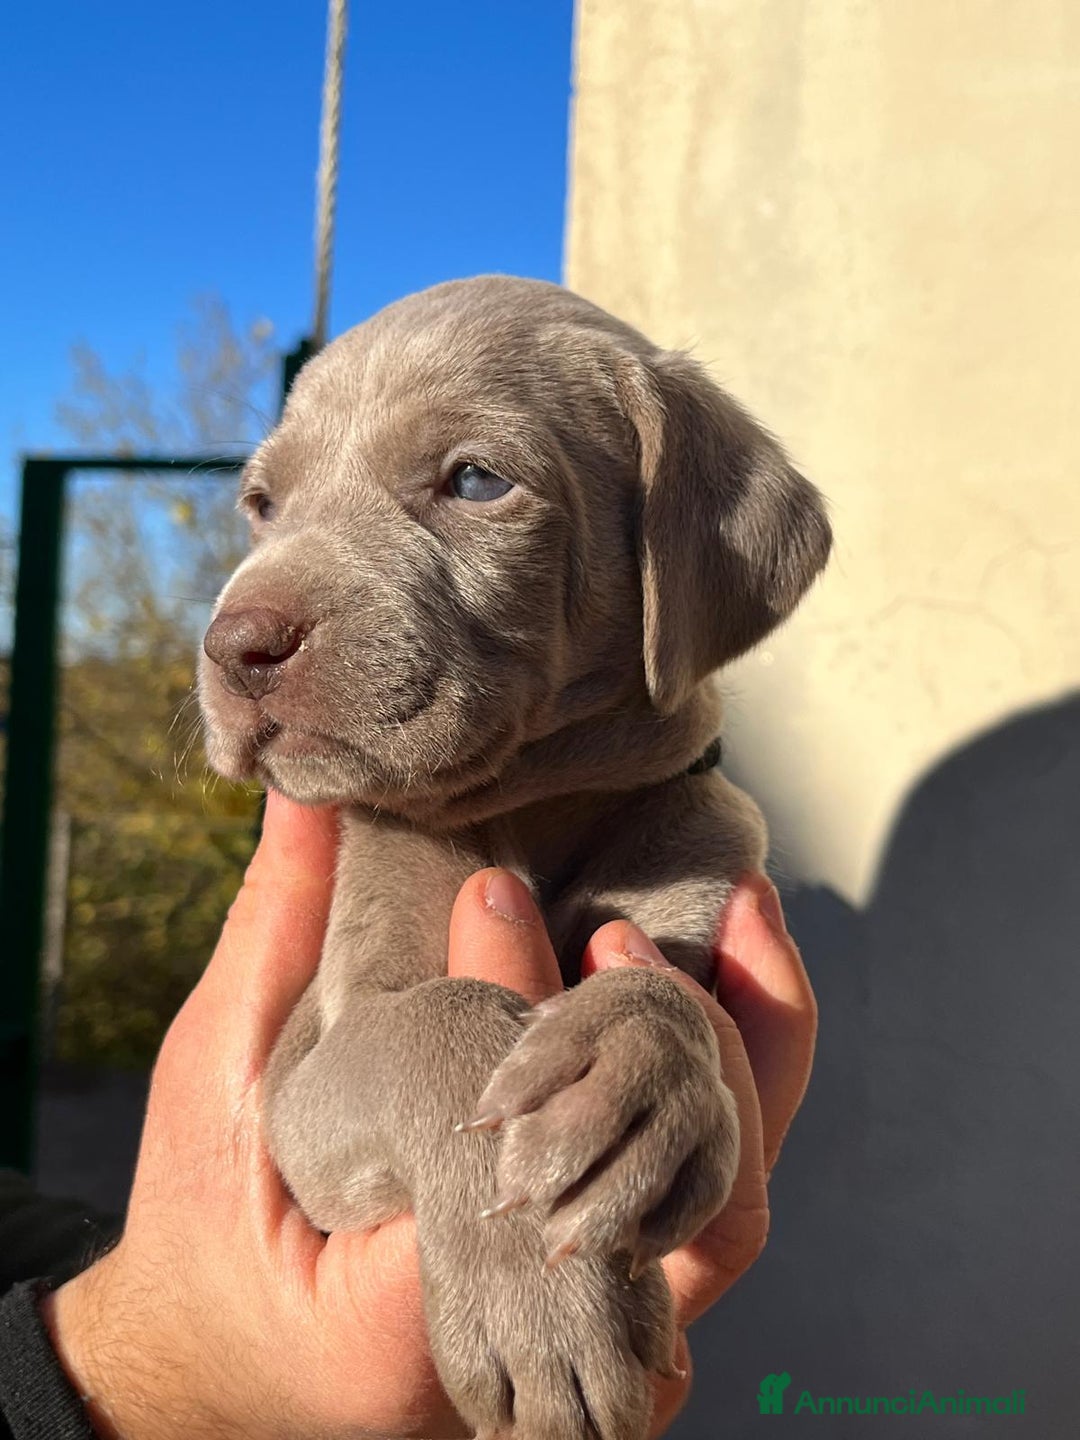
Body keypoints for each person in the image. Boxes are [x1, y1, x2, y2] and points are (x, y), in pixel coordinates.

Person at [0, 793, 816, 1439]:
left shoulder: (689, 832)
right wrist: (168, 1358)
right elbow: (312, 1133)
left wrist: (660, 1034)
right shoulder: (388, 816)